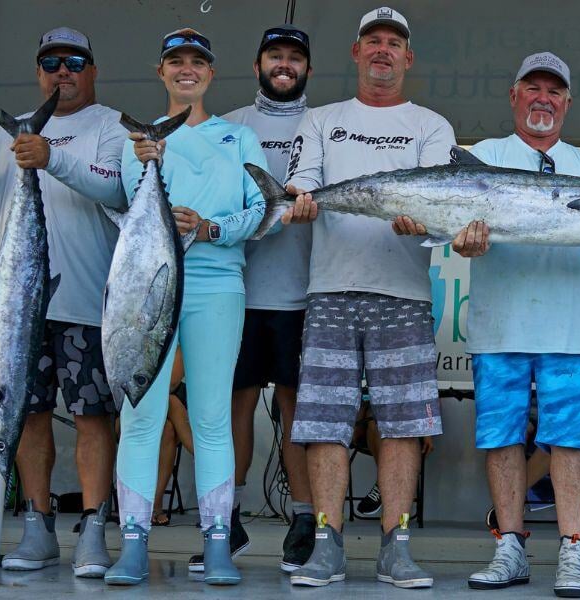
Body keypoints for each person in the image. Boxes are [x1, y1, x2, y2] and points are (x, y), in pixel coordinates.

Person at [450, 51, 580, 598]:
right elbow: (451, 228)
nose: (543, 99)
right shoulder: (485, 155)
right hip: (498, 327)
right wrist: (459, 239)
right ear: (514, 95)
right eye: (532, 88)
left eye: (554, 91)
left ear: (566, 103)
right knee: (501, 439)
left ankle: (572, 550)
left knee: (570, 441)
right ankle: (510, 547)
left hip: (570, 331)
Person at [279, 6, 453, 589]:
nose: (383, 51)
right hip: (329, 290)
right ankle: (326, 542)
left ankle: (395, 545)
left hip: (403, 293)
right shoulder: (323, 119)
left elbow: (436, 208)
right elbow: (304, 182)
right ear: (355, 53)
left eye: (393, 43)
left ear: (408, 58)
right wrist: (300, 201)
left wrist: (422, 222)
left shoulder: (432, 125)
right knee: (326, 422)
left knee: (404, 425)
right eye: (372, 41)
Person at [0, 27, 126, 578]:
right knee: (25, 416)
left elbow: (115, 188)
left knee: (92, 416)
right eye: (51, 61)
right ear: (38, 70)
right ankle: (36, 525)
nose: (63, 70)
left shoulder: (112, 125)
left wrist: (51, 156)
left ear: (92, 70)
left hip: (85, 303)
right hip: (16, 308)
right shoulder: (7, 137)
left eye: (75, 60)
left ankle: (95, 527)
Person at [105, 28, 267, 587]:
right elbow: (135, 210)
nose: (186, 70)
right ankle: (132, 541)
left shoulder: (240, 139)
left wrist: (212, 227)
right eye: (176, 61)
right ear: (161, 72)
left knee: (211, 415)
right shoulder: (140, 145)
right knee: (140, 412)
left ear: (212, 74)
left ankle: (218, 542)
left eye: (197, 62)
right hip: (147, 286)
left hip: (217, 284)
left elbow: (261, 210)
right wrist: (148, 160)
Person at [187, 22, 316, 576]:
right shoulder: (229, 125)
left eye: (294, 57)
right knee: (230, 407)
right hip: (231, 289)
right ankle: (227, 520)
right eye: (274, 56)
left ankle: (305, 519)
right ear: (258, 63)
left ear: (307, 68)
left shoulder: (322, 124)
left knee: (295, 412)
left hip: (300, 290)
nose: (284, 64)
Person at [152, 352, 192, 526]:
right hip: (131, 412)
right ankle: (201, 453)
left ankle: (155, 501)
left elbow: (172, 382)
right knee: (171, 401)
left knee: (168, 429)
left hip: (167, 416)